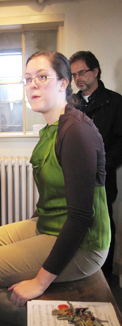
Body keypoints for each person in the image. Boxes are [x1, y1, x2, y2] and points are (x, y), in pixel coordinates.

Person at [0, 51, 111, 326]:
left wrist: (38, 282)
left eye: (42, 77)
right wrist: (28, 231)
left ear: (63, 83)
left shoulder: (76, 132)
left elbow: (81, 217)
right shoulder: (52, 127)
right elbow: (51, 193)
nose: (32, 85)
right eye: (27, 79)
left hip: (84, 244)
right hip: (49, 226)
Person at [69, 51, 122, 278]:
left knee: (103, 226)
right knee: (74, 225)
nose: (78, 78)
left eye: (82, 72)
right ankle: (77, 274)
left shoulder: (115, 102)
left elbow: (121, 143)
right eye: (73, 74)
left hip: (102, 178)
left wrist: (103, 167)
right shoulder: (71, 103)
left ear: (96, 71)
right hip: (73, 178)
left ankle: (104, 278)